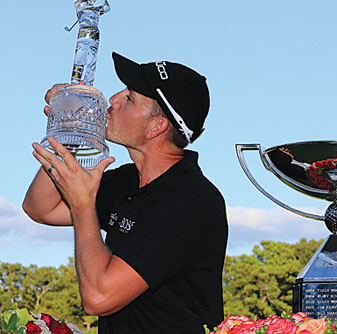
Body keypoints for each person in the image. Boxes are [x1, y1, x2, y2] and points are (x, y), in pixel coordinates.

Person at [23, 52, 228, 334]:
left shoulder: (189, 201)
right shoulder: (128, 181)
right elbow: (41, 208)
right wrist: (70, 131)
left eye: (130, 97)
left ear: (157, 126)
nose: (113, 99)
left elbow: (98, 298)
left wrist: (83, 204)